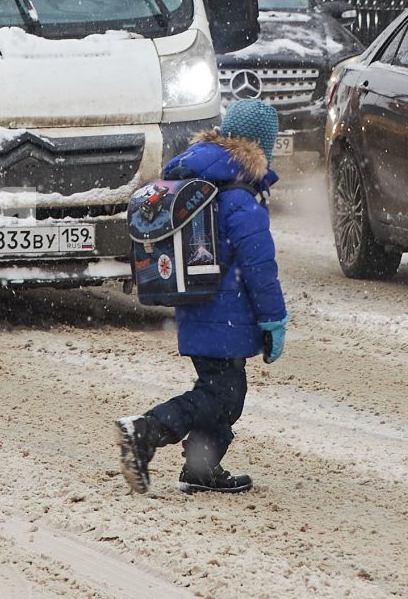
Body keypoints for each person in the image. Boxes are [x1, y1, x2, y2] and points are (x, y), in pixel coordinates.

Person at [115, 99, 288, 495]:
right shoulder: (241, 201)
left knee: (223, 394)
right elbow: (260, 270)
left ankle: (200, 467)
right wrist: (274, 320)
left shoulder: (202, 183)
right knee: (220, 397)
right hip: (225, 317)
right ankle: (146, 430)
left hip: (196, 305)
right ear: (260, 147)